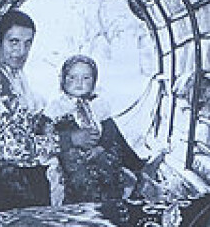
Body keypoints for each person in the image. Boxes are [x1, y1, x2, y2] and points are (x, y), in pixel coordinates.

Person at [0, 8, 59, 213]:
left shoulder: (12, 73)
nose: (21, 51)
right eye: (13, 41)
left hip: (18, 172)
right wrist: (65, 141)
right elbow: (10, 147)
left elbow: (18, 121)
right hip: (0, 182)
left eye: (27, 43)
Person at [45, 54, 150, 206]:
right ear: (63, 79)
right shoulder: (57, 106)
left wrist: (101, 148)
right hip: (70, 153)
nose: (79, 83)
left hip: (97, 149)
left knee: (109, 163)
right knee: (79, 176)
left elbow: (110, 131)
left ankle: (118, 190)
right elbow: (47, 132)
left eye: (86, 78)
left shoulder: (97, 104)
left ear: (94, 81)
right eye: (72, 78)